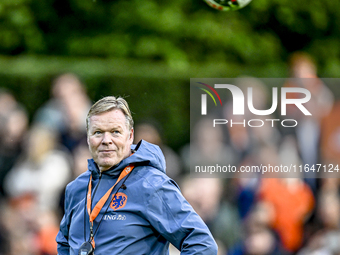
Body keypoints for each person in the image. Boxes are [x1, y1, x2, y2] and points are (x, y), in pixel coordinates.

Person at [56, 96, 218, 255]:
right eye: (98, 132)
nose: (106, 140)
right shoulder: (76, 188)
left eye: (115, 132)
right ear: (88, 137)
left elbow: (202, 244)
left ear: (130, 136)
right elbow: (64, 243)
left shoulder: (152, 184)